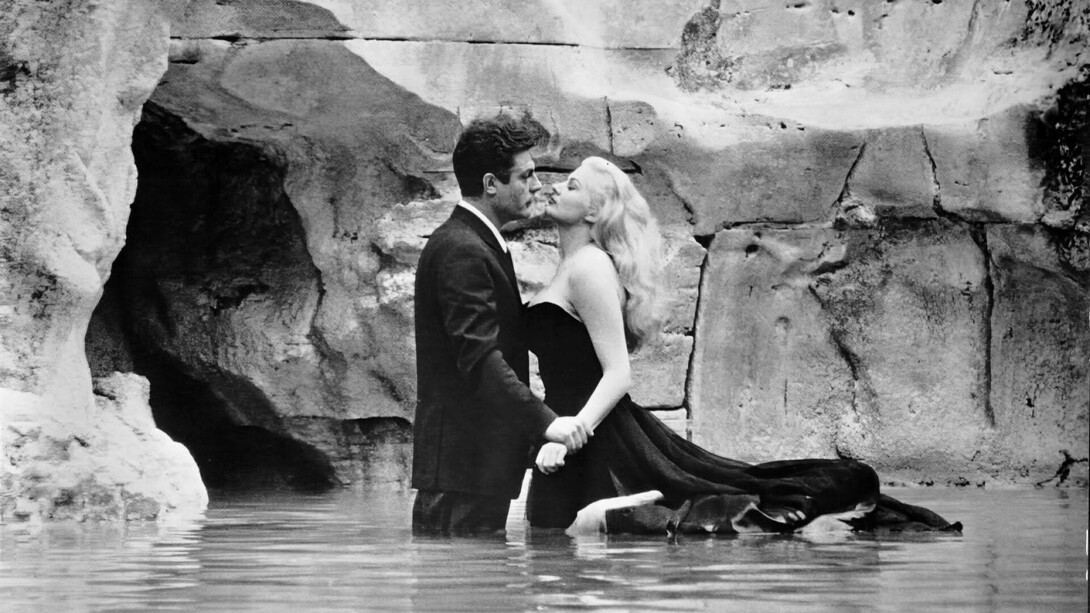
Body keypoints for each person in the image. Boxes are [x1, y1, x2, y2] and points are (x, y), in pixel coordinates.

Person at [524, 157, 961, 535]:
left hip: (592, 435)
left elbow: (618, 373)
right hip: (575, 433)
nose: (554, 186)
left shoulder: (588, 267)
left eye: (572, 184)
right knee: (551, 530)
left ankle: (615, 516)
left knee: (707, 499)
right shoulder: (572, 266)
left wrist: (571, 435)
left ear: (594, 210)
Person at [411, 112, 590, 536]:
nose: (537, 186)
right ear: (491, 183)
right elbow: (479, 360)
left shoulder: (477, 242)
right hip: (462, 475)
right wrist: (547, 421)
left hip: (471, 472)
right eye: (525, 175)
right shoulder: (464, 250)